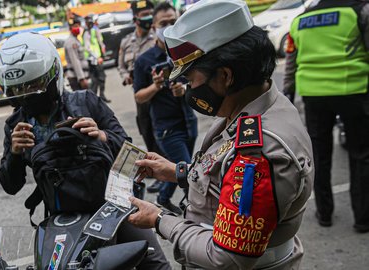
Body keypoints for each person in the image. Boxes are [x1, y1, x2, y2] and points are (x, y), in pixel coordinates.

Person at [127, 0, 315, 269]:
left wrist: (159, 218)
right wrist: (177, 172)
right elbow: (223, 175)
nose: (189, 87)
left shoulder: (259, 153)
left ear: (225, 76)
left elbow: (226, 256)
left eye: (191, 79)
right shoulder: (259, 103)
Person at [0, 32, 171, 270]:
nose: (26, 95)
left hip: (112, 208)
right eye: (18, 90)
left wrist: (101, 135)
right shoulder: (16, 126)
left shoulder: (86, 102)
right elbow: (10, 184)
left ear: (52, 77)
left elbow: (131, 150)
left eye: (33, 85)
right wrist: (15, 154)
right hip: (63, 221)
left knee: (156, 264)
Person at [283, 0, 369, 233]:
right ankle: (362, 218)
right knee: (360, 155)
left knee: (319, 155)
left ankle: (324, 214)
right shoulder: (359, 11)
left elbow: (291, 60)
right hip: (353, 90)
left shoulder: (301, 19)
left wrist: (288, 91)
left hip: (313, 94)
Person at [133, 2, 197, 215]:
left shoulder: (186, 51)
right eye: (164, 23)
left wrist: (185, 89)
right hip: (167, 128)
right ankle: (197, 214)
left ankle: (163, 197)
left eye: (173, 21)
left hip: (189, 121)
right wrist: (156, 86)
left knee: (180, 167)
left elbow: (200, 81)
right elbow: (139, 96)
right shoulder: (144, 60)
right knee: (189, 172)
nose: (169, 26)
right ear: (154, 27)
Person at [119, 0, 164, 193]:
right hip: (139, 95)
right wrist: (126, 77)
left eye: (150, 13)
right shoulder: (126, 41)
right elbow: (120, 65)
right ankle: (156, 169)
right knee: (146, 130)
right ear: (135, 17)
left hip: (159, 95)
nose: (148, 17)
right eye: (144, 13)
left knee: (161, 131)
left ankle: (165, 173)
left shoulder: (158, 38)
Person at [83, 14, 110, 103]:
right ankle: (95, 99)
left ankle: (100, 97)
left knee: (99, 78)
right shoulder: (87, 32)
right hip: (93, 59)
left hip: (97, 58)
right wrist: (97, 57)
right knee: (97, 79)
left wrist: (103, 49)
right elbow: (87, 47)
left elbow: (100, 42)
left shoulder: (94, 30)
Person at [64, 19, 89, 91]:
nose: (78, 28)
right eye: (75, 26)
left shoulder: (76, 40)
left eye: (79, 26)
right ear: (70, 28)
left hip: (78, 77)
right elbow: (75, 61)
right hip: (75, 78)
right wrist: (81, 78)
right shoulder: (71, 42)